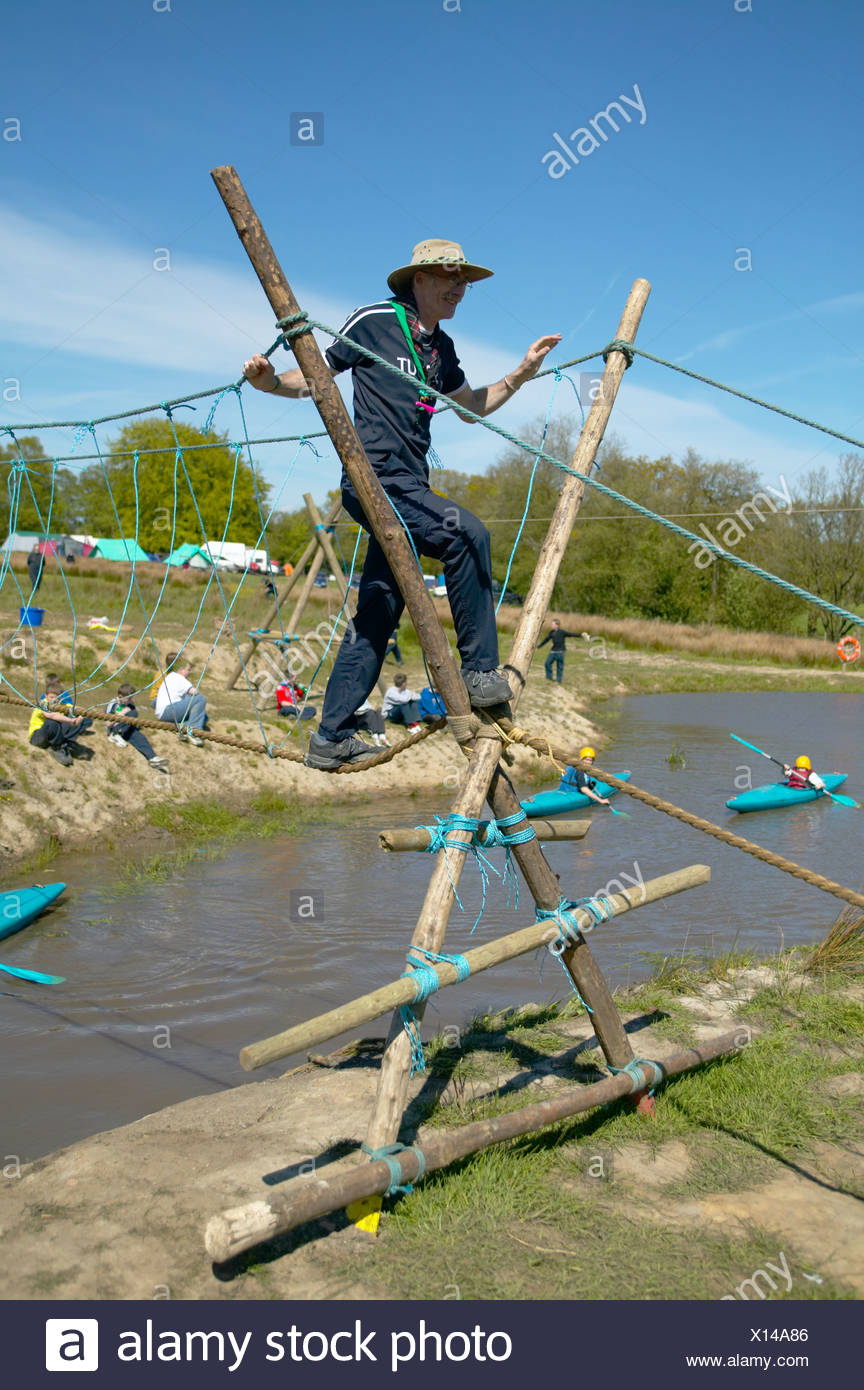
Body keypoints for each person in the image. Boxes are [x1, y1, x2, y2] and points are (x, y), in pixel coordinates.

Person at [243, 238, 560, 769]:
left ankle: (331, 734)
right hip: (375, 480)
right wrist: (269, 382)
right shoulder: (374, 319)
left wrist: (522, 373)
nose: (458, 288)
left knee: (379, 609)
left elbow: (470, 407)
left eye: (464, 281)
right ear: (418, 279)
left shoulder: (443, 349)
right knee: (468, 534)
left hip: (410, 485)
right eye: (447, 277)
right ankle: (481, 673)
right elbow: (317, 375)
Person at [27, 677, 93, 766]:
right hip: (37, 737)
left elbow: (76, 708)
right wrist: (70, 720)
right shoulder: (43, 703)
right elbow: (52, 715)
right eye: (51, 697)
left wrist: (80, 717)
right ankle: (56, 748)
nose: (54, 700)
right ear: (46, 696)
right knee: (53, 721)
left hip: (50, 735)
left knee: (81, 720)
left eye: (57, 698)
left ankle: (63, 743)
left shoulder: (61, 705)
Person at [106, 684, 169, 773]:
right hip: (114, 728)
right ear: (120, 696)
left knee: (140, 737)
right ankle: (114, 734)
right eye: (129, 698)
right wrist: (121, 714)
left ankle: (152, 758)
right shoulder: (113, 704)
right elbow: (108, 723)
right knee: (133, 714)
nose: (131, 700)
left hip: (126, 729)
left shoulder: (130, 704)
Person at [155, 652, 208, 746]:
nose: (189, 672)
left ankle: (183, 728)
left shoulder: (170, 677)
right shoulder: (179, 678)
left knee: (204, 716)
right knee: (200, 699)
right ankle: (193, 732)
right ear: (181, 670)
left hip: (163, 713)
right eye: (188, 670)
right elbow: (194, 692)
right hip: (167, 711)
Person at [538, 619, 574, 684]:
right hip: (553, 651)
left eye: (553, 624)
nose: (552, 625)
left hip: (560, 652)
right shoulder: (551, 632)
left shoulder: (562, 632)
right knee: (547, 663)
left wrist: (581, 634)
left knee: (559, 667)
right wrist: (539, 646)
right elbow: (546, 639)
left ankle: (558, 680)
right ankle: (549, 677)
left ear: (557, 625)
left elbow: (571, 634)